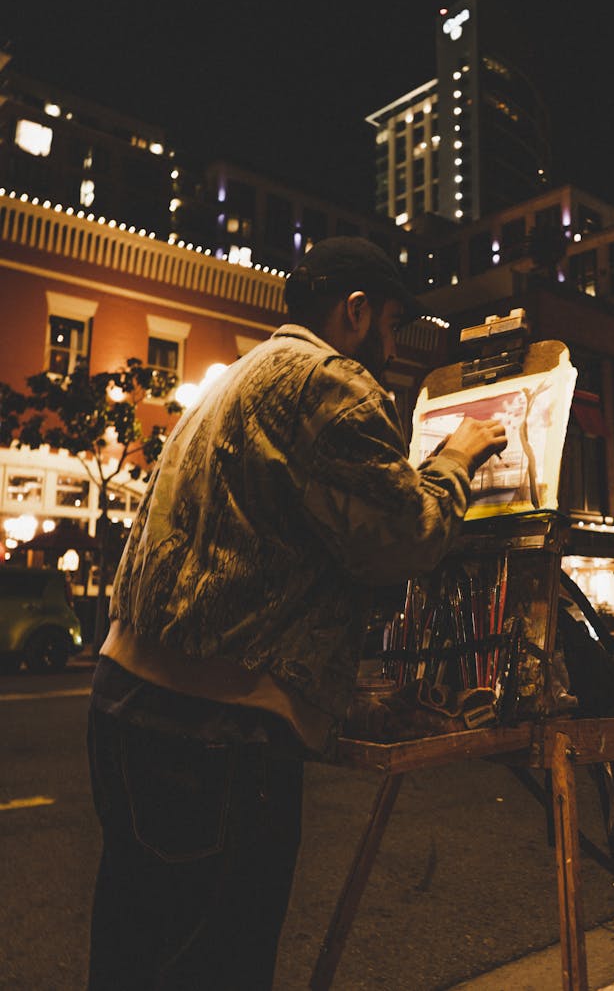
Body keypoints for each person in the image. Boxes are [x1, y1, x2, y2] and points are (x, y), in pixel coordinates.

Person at [86, 235, 507, 991]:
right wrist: (456, 456)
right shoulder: (329, 381)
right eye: (391, 326)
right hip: (211, 730)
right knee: (213, 967)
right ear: (356, 312)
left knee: (133, 955)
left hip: (124, 702)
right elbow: (403, 538)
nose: (392, 348)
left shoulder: (241, 373)